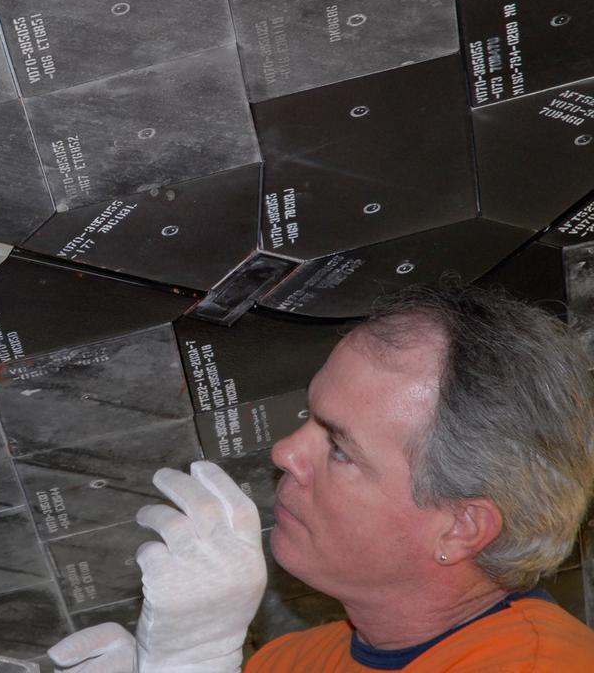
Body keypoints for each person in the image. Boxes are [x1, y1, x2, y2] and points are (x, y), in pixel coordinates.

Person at [49, 282, 594, 672]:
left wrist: (188, 664)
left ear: (459, 527)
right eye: (311, 418)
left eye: (339, 447)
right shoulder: (294, 660)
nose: (285, 451)